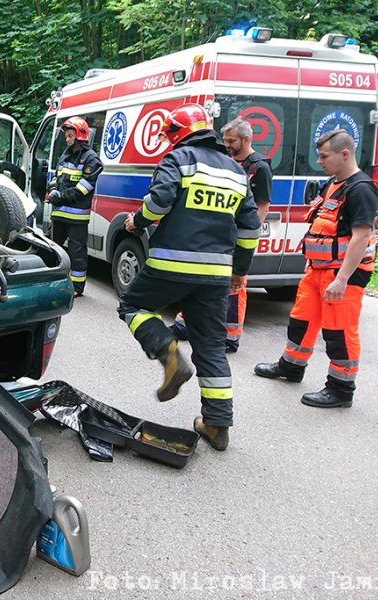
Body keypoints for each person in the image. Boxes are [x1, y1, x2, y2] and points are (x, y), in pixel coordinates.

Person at [117, 104, 260, 451]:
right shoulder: (237, 172)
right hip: (215, 274)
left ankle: (167, 351)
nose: (169, 141)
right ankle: (216, 424)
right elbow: (251, 228)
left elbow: (160, 200)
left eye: (169, 135)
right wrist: (239, 271)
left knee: (132, 305)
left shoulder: (179, 159)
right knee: (211, 344)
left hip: (172, 264)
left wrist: (139, 221)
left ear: (179, 131)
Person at [254, 130, 378, 409]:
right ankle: (291, 366)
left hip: (342, 275)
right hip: (318, 270)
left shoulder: (361, 189)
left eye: (324, 156)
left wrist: (343, 279)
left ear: (344, 154)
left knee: (339, 331)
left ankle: (341, 389)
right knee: (301, 319)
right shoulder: (333, 184)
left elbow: (360, 237)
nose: (319, 161)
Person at [172, 117, 273, 352]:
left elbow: (262, 206)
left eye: (231, 140)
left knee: (235, 287)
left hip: (239, 235)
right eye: (225, 140)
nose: (226, 144)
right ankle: (184, 325)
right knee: (200, 279)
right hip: (218, 232)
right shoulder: (227, 161)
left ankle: (230, 336)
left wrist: (246, 237)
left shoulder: (259, 167)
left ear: (246, 139)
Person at [47, 116, 103, 297]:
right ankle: (52, 281)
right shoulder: (65, 155)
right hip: (59, 213)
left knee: (76, 251)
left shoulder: (91, 159)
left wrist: (60, 197)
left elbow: (83, 188)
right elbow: (56, 177)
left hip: (77, 216)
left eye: (70, 135)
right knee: (53, 248)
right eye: (66, 136)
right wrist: (53, 188)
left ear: (80, 136)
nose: (67, 139)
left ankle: (76, 287)